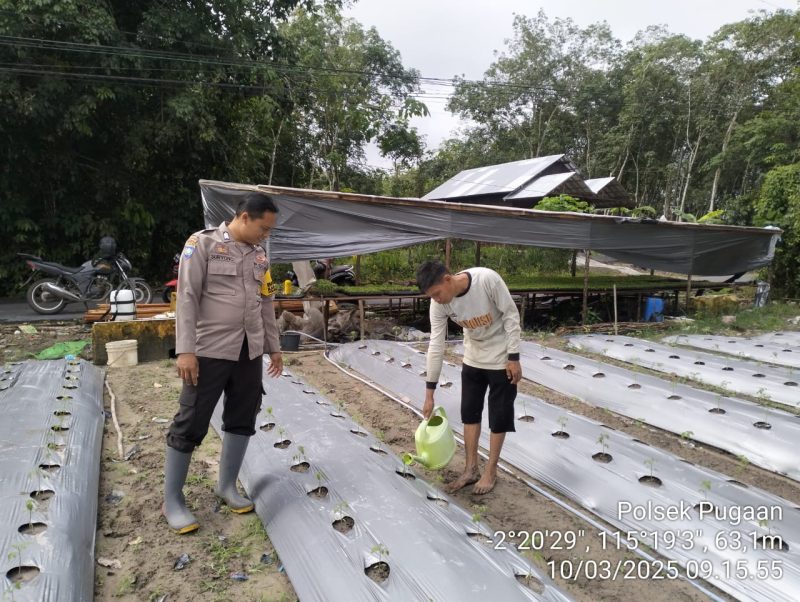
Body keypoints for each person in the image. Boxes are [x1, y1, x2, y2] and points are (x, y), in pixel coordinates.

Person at [163, 192, 283, 534]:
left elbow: (266, 303)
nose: (266, 234)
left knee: (243, 416)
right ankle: (172, 500)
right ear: (244, 217)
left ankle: (227, 485)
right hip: (209, 350)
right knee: (192, 420)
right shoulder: (202, 244)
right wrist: (185, 350)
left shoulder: (260, 256)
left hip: (249, 351)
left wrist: (273, 347)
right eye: (263, 227)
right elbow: (186, 297)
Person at [417, 260, 522, 495]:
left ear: (448, 279)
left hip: (501, 358)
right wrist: (429, 394)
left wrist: (513, 357)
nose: (436, 299)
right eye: (431, 297)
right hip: (473, 357)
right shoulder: (439, 305)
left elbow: (511, 315)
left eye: (436, 293)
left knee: (499, 416)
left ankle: (490, 471)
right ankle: (470, 469)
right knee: (469, 413)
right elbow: (436, 344)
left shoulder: (487, 280)